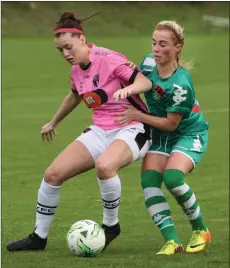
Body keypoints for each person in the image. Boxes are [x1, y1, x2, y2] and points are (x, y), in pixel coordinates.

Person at [7, 11, 153, 252]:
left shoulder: (109, 58)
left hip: (133, 126)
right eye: (60, 50)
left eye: (68, 47)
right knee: (52, 175)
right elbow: (75, 96)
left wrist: (127, 91)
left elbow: (144, 82)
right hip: (101, 130)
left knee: (105, 167)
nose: (65, 54)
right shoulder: (76, 69)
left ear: (82, 40)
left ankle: (110, 226)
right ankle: (38, 237)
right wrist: (54, 122)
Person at [113, 20, 211, 255]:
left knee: (173, 178)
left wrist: (137, 115)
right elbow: (140, 77)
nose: (156, 49)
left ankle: (201, 229)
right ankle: (171, 240)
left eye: (163, 44)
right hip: (160, 134)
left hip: (188, 133)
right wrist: (130, 70)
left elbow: (170, 123)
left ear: (177, 48)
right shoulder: (148, 62)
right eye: (154, 43)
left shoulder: (180, 86)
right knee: (149, 182)